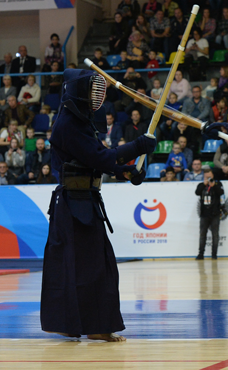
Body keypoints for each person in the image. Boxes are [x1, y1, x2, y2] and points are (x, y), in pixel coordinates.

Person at [41, 68, 155, 342]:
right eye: (92, 91)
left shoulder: (79, 123)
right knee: (77, 267)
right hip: (72, 207)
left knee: (95, 266)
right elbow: (100, 157)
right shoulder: (67, 125)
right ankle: (76, 324)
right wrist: (138, 146)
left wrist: (126, 171)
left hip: (85, 202)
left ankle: (94, 325)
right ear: (79, 93)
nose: (97, 97)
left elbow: (95, 161)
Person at [194, 173, 227, 260]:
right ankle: (201, 254)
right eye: (206, 177)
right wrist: (204, 184)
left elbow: (221, 192)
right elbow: (197, 192)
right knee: (202, 234)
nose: (208, 179)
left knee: (215, 235)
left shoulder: (218, 184)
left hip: (215, 214)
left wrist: (214, 186)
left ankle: (214, 254)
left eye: (210, 177)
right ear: (204, 177)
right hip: (204, 214)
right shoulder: (201, 185)